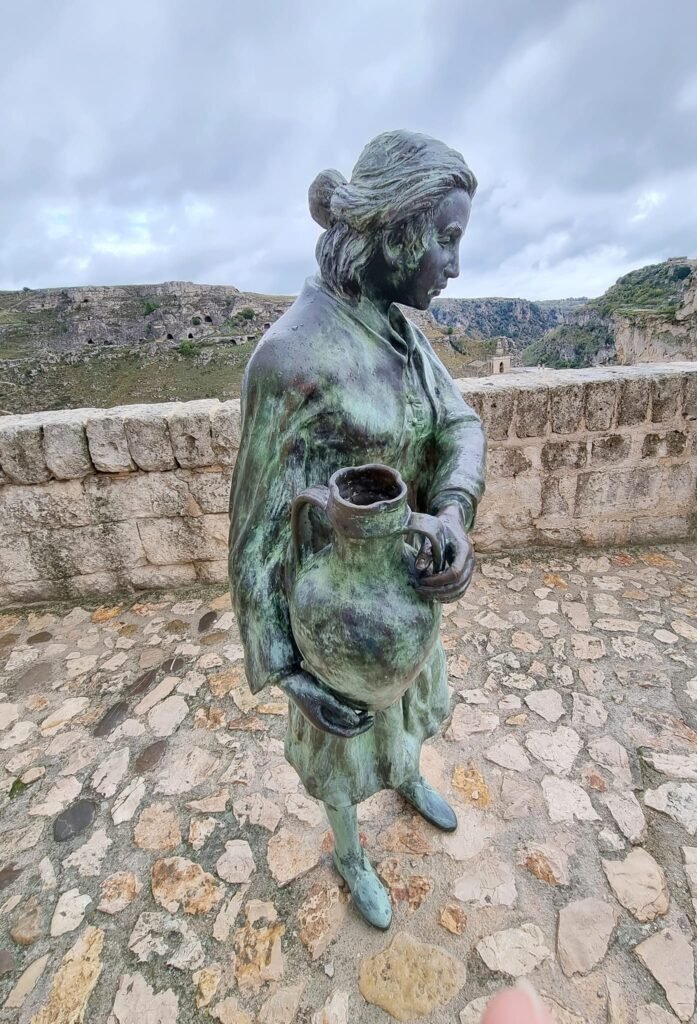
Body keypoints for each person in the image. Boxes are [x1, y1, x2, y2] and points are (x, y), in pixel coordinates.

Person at [228, 130, 486, 928]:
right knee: (343, 748)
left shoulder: (399, 329)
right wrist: (286, 670)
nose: (454, 264)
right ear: (395, 228)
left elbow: (460, 425)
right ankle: (348, 846)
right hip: (336, 610)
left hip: (402, 586)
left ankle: (406, 777)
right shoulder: (292, 357)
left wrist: (451, 513)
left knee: (404, 711)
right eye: (445, 240)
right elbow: (256, 533)